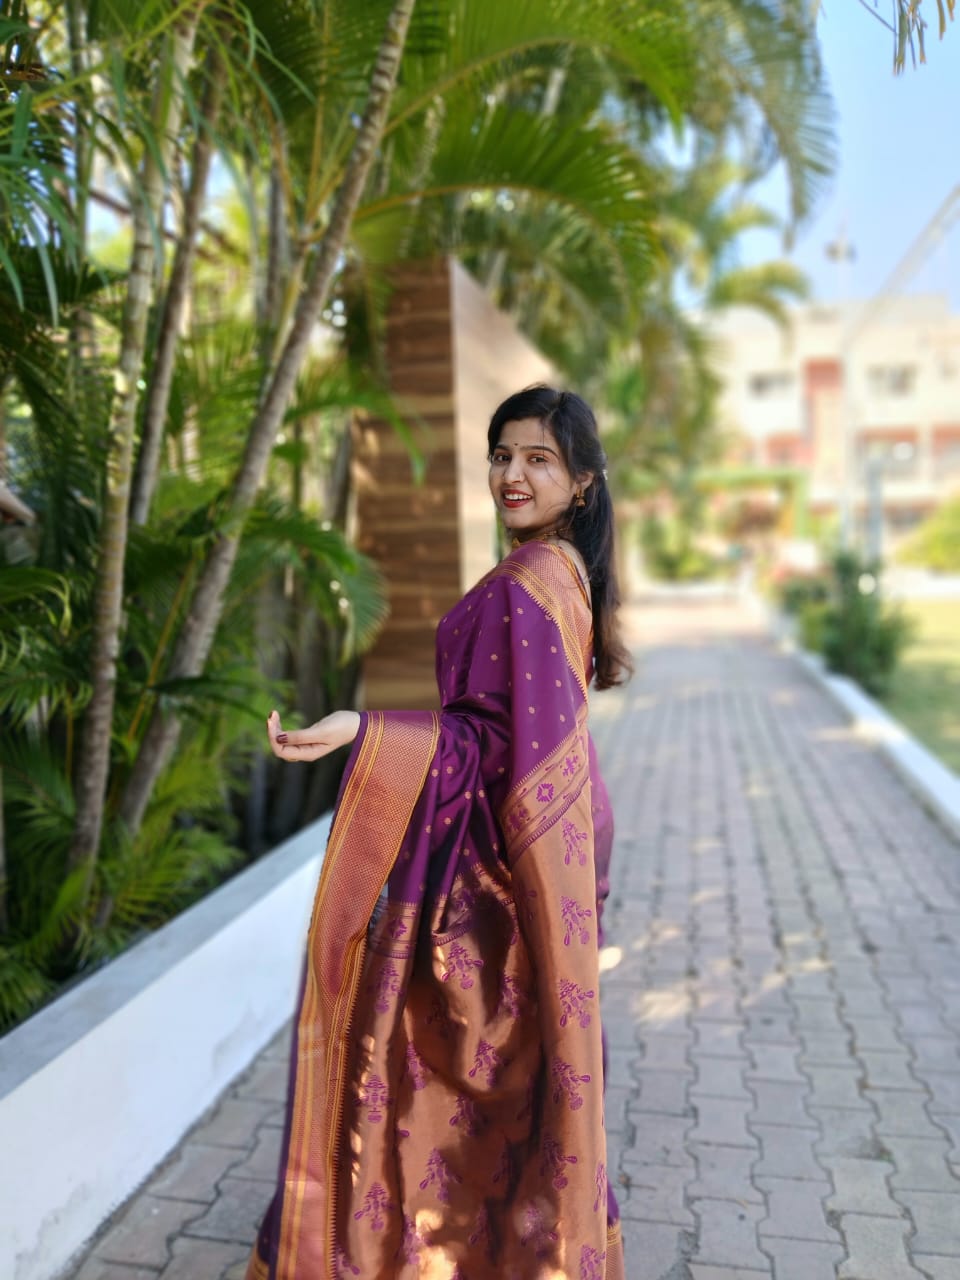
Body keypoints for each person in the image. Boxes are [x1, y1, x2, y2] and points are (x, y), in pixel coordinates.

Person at [245, 385, 632, 1280]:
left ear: (581, 481)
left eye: (538, 458)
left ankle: (420, 1251)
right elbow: (511, 736)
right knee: (517, 1066)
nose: (512, 474)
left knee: (433, 1058)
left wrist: (366, 731)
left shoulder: (532, 582)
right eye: (502, 455)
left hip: (508, 862)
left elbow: (497, 748)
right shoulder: (562, 569)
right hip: (543, 844)